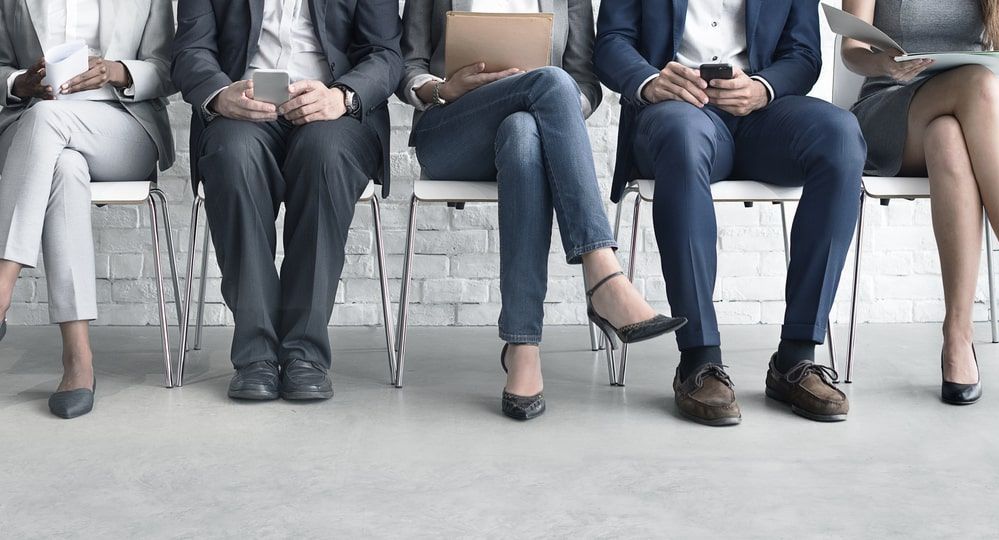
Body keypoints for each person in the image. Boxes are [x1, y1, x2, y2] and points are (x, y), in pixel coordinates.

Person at [399, 0, 687, 421]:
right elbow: (409, 66)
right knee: (552, 82)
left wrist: (553, 111)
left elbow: (586, 85)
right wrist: (444, 88)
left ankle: (523, 347)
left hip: (532, 132)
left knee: (523, 133)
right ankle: (603, 274)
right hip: (451, 130)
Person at [594, 0, 866, 426]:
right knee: (683, 138)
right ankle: (698, 360)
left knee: (840, 137)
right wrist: (650, 81)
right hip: (676, 114)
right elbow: (611, 42)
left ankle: (796, 357)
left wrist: (761, 88)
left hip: (762, 118)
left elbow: (804, 54)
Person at [171, 0, 403, 403]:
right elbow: (191, 49)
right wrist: (219, 94)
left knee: (324, 157)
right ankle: (255, 356)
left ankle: (305, 355)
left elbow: (385, 53)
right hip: (242, 111)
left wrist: (342, 96)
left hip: (333, 113)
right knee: (234, 158)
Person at [0, 0, 176, 419]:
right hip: (35, 134)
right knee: (64, 164)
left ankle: (2, 285)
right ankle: (77, 359)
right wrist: (18, 83)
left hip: (123, 124)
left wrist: (118, 70)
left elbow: (169, 68)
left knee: (48, 121)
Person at [843, 0, 997, 405]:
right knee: (979, 84)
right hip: (891, 105)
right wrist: (884, 65)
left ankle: (958, 337)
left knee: (947, 136)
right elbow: (852, 50)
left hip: (968, 116)